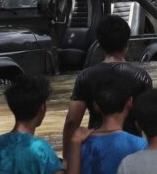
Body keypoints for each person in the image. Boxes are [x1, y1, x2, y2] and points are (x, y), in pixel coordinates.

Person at [63, 14, 152, 143]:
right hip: (131, 148)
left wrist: (67, 156)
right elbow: (149, 120)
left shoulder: (85, 77)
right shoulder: (141, 76)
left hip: (96, 148)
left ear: (99, 44)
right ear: (127, 43)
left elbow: (72, 121)